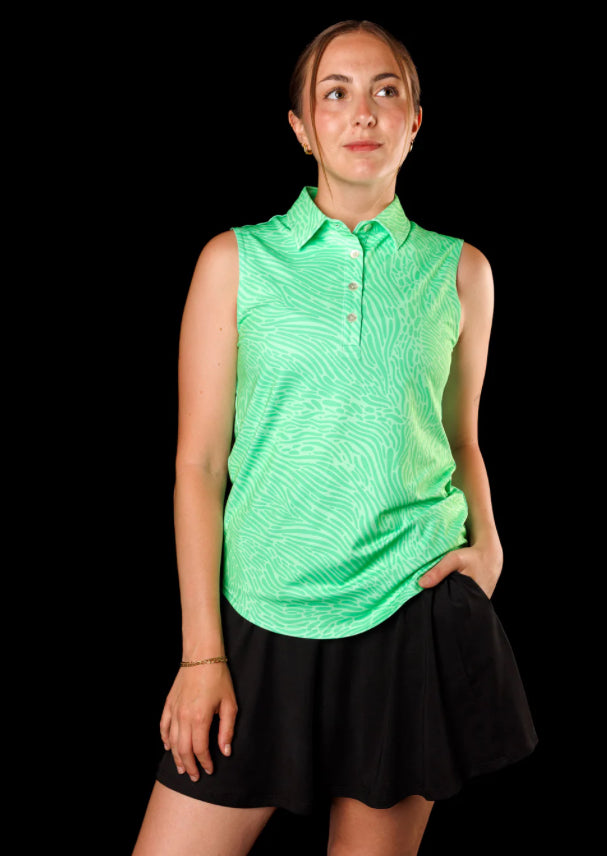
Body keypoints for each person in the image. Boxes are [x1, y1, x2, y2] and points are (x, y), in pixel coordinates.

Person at [133, 19, 538, 856]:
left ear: (413, 122)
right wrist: (202, 654)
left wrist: (491, 545)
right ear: (301, 128)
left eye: (385, 92)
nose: (363, 113)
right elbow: (197, 464)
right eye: (336, 94)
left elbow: (460, 439)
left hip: (409, 613)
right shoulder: (234, 262)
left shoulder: (462, 270)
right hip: (260, 615)